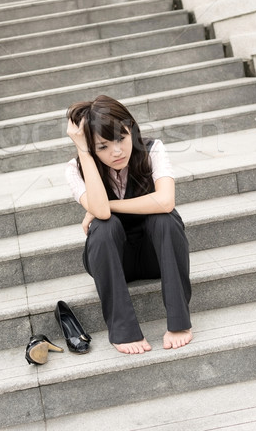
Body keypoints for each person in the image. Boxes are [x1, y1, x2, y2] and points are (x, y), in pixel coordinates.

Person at [65, 95, 192, 355]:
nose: (117, 151)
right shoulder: (75, 168)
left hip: (154, 257)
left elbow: (166, 201)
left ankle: (180, 322)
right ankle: (123, 330)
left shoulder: (152, 149)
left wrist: (107, 207)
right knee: (104, 226)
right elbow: (100, 212)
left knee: (164, 218)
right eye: (102, 147)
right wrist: (83, 151)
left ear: (131, 131)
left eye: (121, 139)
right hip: (113, 262)